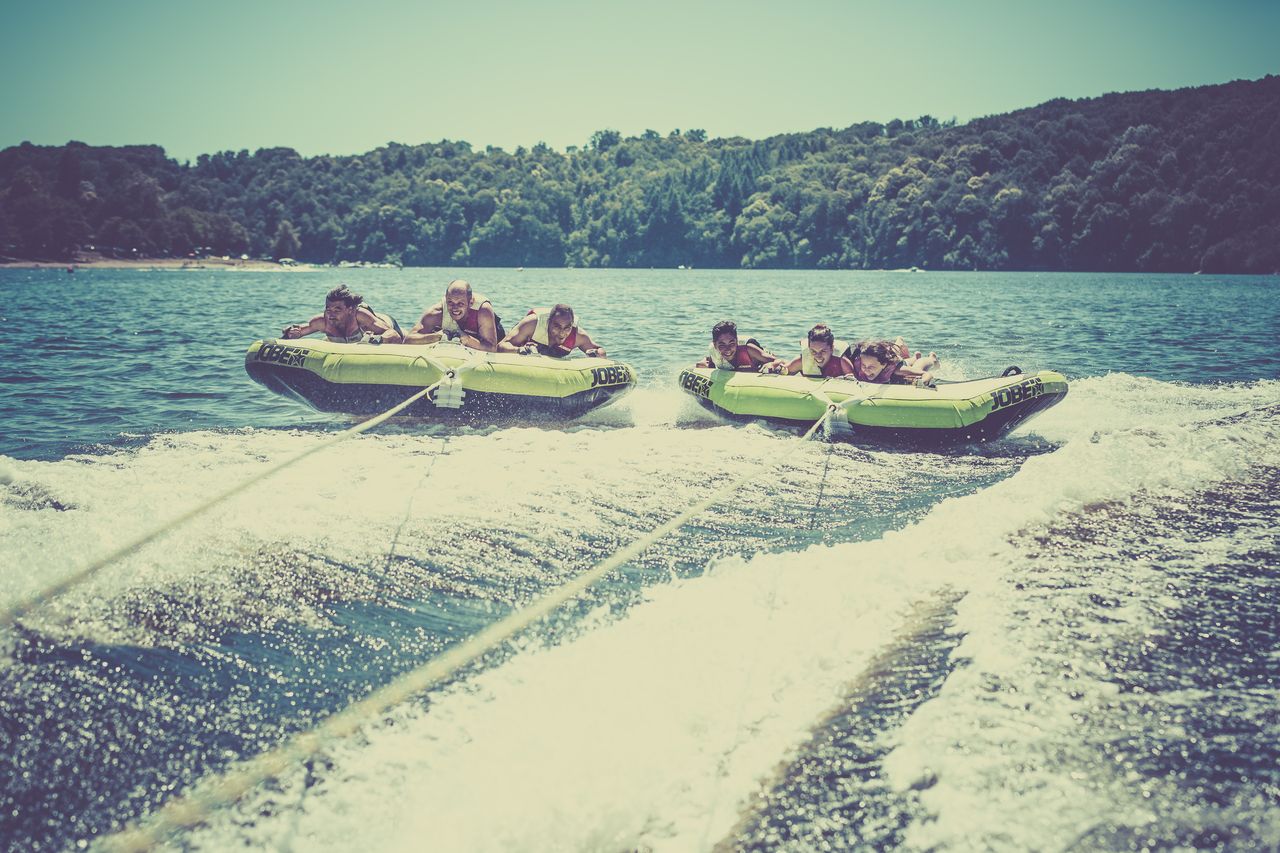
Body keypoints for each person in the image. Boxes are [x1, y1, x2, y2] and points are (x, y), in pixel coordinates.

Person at [403, 279, 504, 351]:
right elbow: (408, 340)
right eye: (450, 302)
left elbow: (492, 348)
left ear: (471, 302)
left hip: (490, 337)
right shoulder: (436, 312)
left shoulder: (483, 310)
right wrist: (435, 337)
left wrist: (468, 340)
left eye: (460, 303)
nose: (455, 308)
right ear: (446, 298)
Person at [282, 285, 402, 344]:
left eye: (337, 310)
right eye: (328, 309)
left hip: (387, 322)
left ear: (349, 310)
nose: (331, 315)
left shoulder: (360, 316)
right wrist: (290, 333)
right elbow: (298, 331)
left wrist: (378, 339)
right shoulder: (322, 321)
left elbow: (394, 335)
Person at [498, 303, 606, 358]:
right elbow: (501, 346)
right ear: (548, 322)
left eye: (567, 327)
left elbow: (600, 350)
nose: (562, 333)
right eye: (557, 326)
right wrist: (520, 350)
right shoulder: (531, 324)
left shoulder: (578, 335)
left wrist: (596, 353)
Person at [762, 323, 853, 377]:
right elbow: (785, 370)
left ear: (832, 348)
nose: (818, 356)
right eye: (813, 351)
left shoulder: (842, 362)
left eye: (823, 351)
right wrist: (774, 366)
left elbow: (853, 381)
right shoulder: (802, 361)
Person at [844, 339, 937, 387]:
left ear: (883, 365)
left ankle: (931, 358)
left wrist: (922, 382)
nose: (866, 370)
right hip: (889, 356)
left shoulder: (897, 370)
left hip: (898, 362)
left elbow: (926, 374)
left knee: (917, 367)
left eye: (871, 367)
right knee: (895, 352)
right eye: (864, 366)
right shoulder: (859, 364)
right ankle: (914, 357)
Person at [694, 319, 778, 371]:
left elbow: (777, 360)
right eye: (722, 345)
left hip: (759, 358)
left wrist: (773, 364)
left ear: (737, 341)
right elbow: (711, 366)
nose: (728, 349)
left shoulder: (748, 349)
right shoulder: (713, 349)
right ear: (715, 345)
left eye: (731, 343)